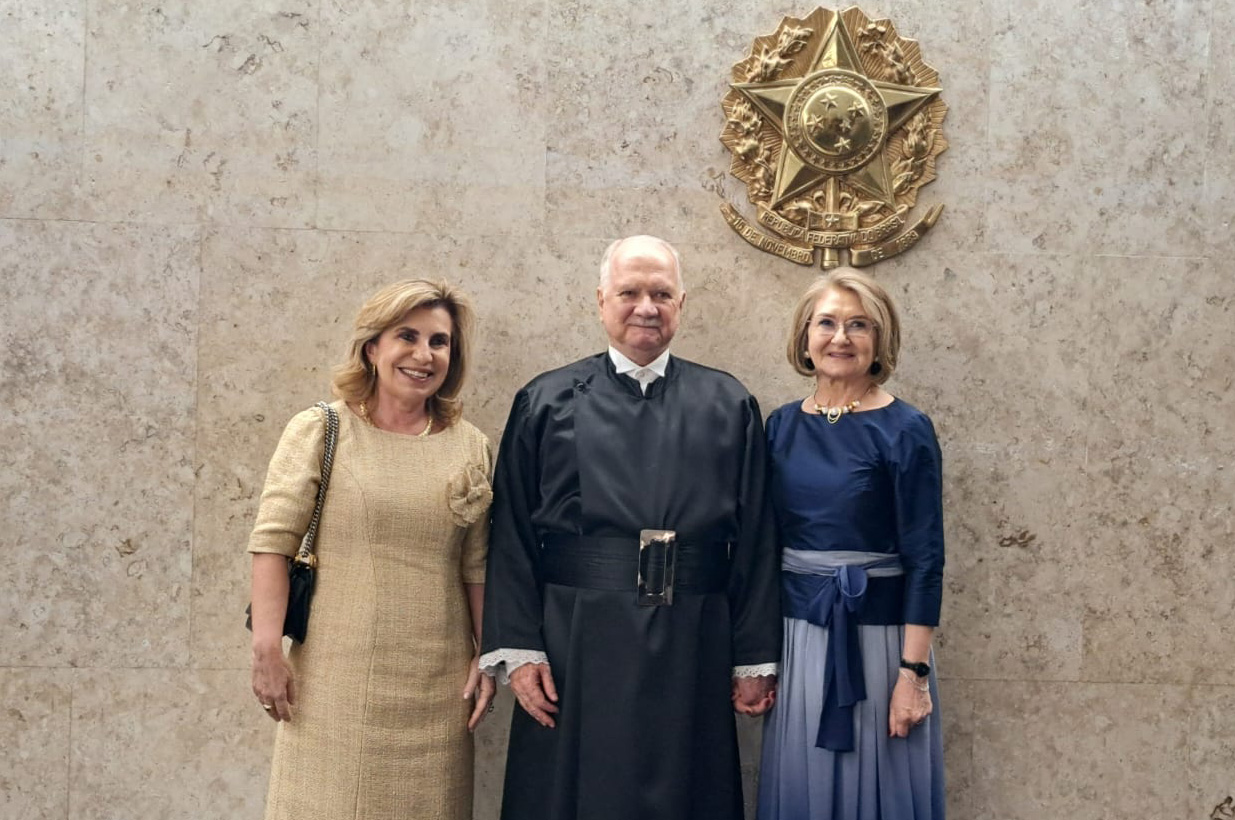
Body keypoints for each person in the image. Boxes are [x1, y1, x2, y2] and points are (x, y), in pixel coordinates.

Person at [479, 235, 782, 820]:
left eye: (661, 293)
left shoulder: (729, 402)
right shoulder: (544, 400)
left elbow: (757, 541)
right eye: (630, 292)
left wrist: (754, 657)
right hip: (574, 640)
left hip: (694, 637)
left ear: (682, 304)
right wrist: (519, 651)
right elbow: (511, 531)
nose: (647, 306)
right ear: (601, 301)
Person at [247, 279, 496, 820]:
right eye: (406, 335)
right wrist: (267, 649)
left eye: (439, 341)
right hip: (331, 682)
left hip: (439, 691)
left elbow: (475, 564)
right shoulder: (321, 429)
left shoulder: (470, 445)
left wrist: (486, 653)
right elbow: (272, 544)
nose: (423, 354)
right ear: (372, 347)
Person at [756, 268, 945, 820]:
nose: (841, 337)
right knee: (803, 786)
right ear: (804, 337)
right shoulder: (780, 426)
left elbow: (926, 559)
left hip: (882, 647)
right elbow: (762, 548)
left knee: (880, 788)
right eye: (828, 323)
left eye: (858, 325)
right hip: (799, 641)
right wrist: (757, 660)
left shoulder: (906, 428)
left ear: (880, 340)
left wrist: (913, 675)